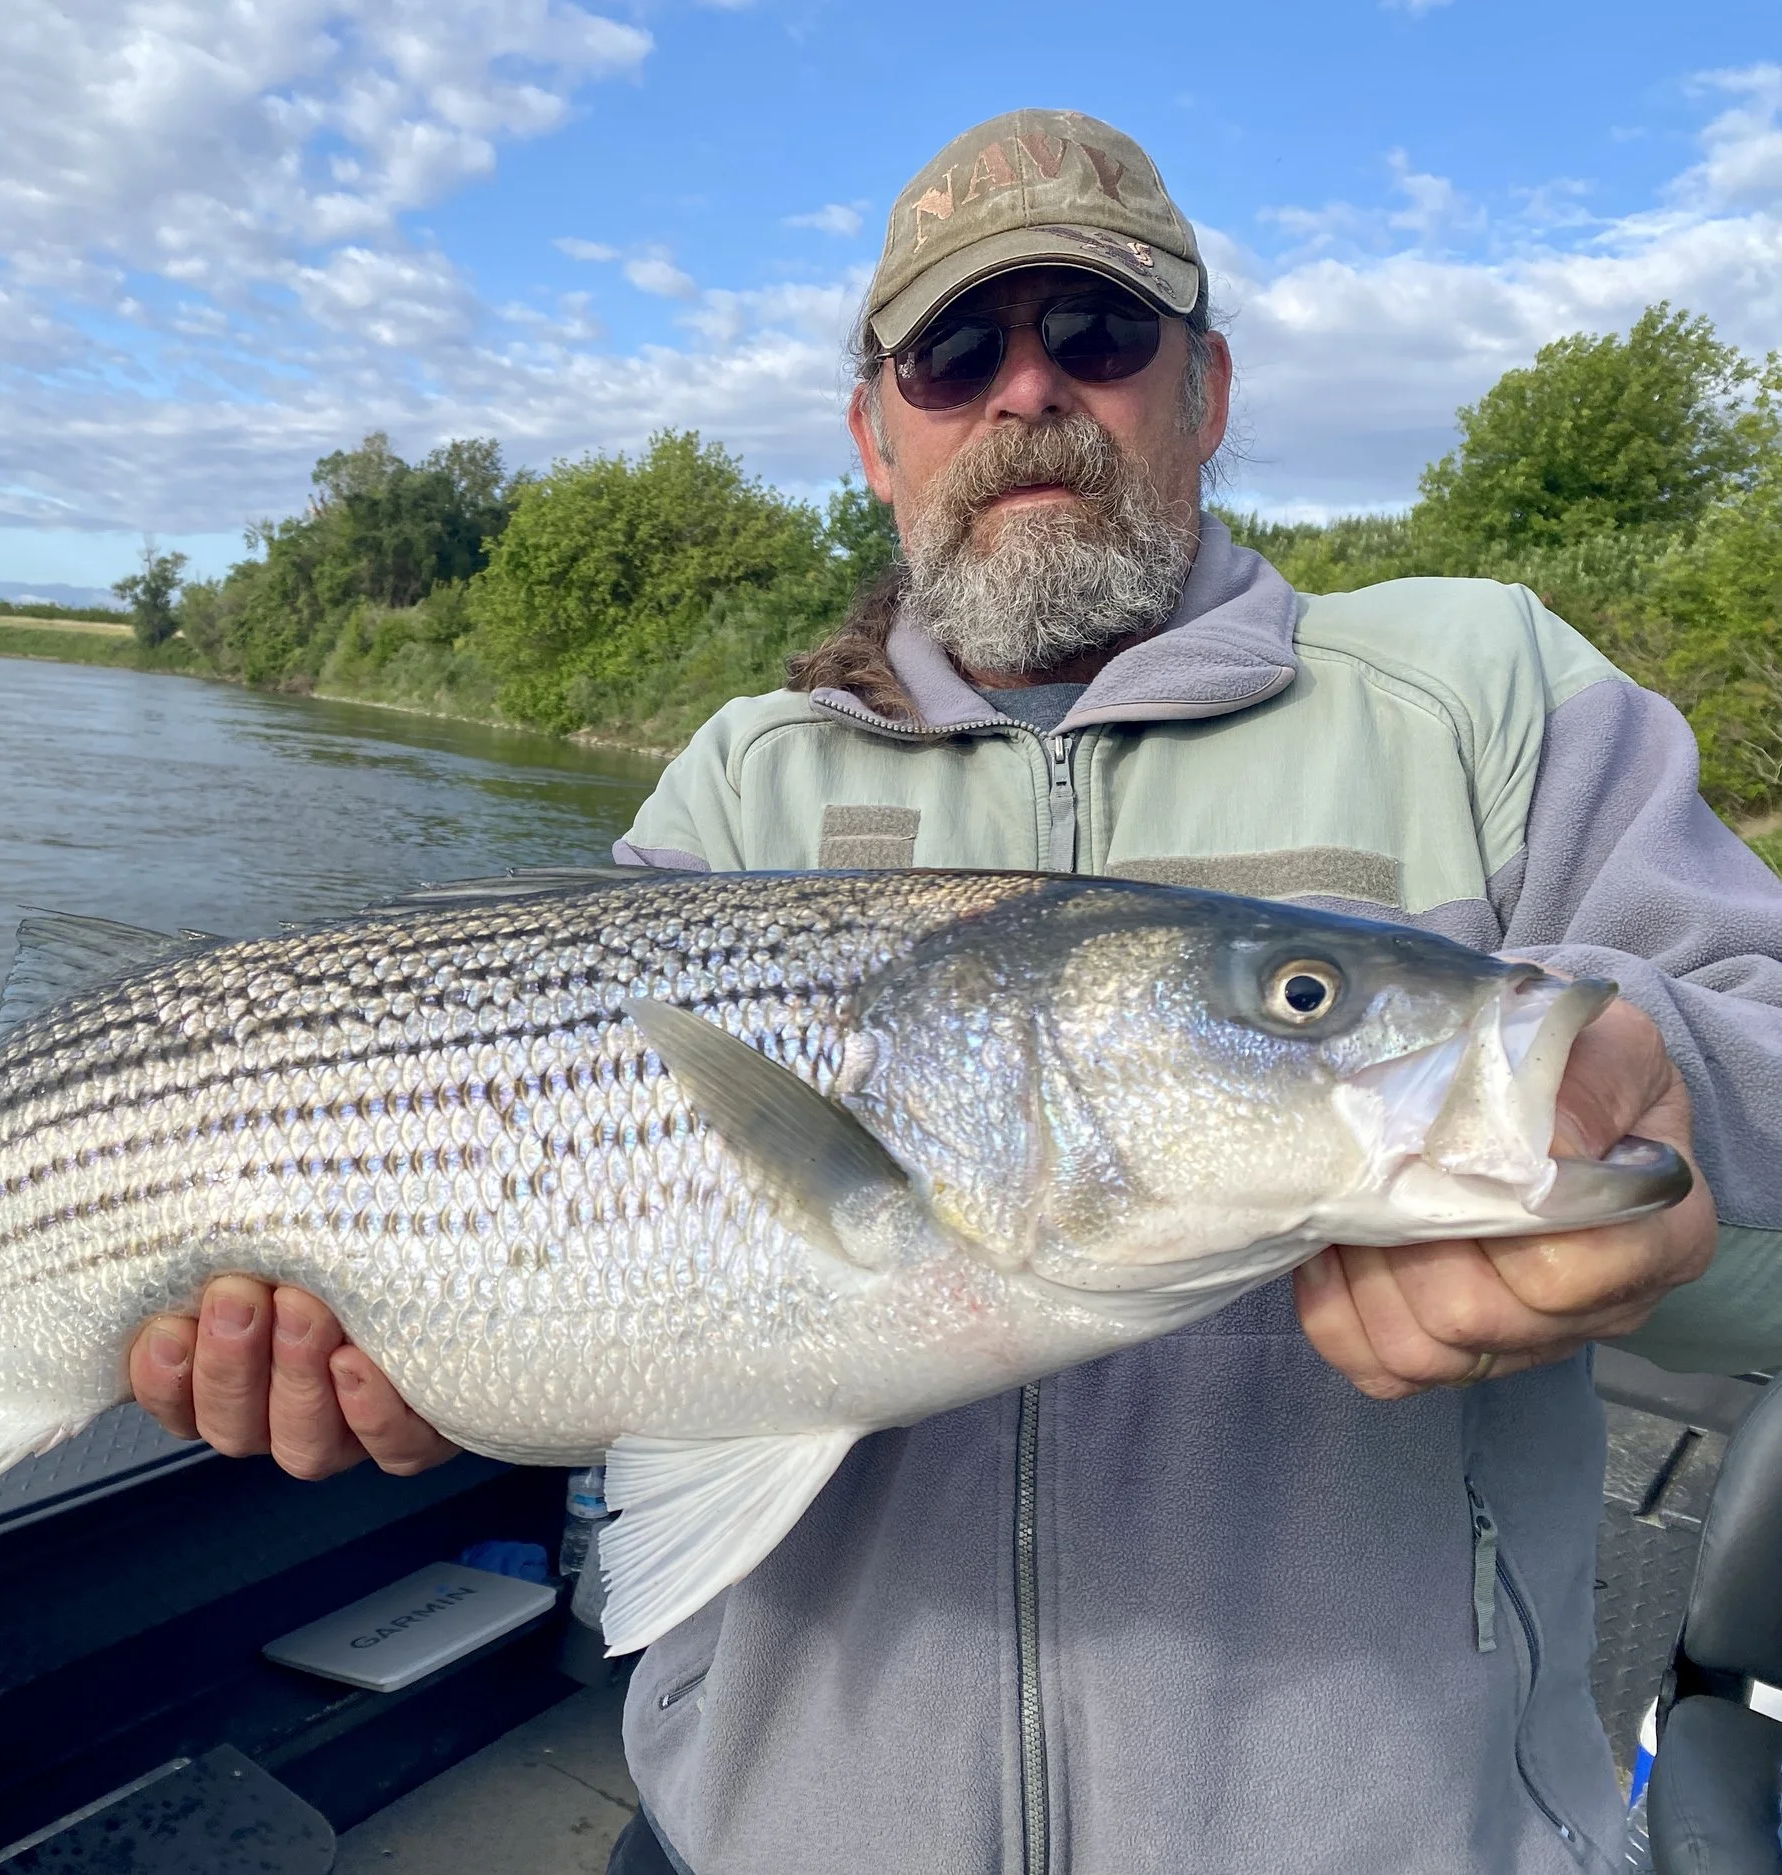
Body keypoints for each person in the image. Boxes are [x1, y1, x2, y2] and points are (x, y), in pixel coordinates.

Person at [124, 109, 1782, 1873]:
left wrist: (1645, 1056)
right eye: (954, 351)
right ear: (874, 433)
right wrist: (405, 1349)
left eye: (1097, 333)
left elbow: (1746, 1002)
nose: (1024, 393)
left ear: (1204, 389)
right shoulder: (741, 779)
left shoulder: (1483, 684)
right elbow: (575, 1219)